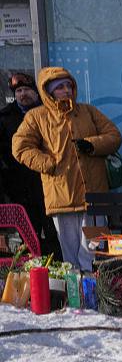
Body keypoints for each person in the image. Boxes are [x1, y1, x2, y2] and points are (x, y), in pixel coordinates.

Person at [11, 67, 122, 271]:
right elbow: (20, 147)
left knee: (95, 252)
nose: (66, 90)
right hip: (62, 196)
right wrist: (48, 164)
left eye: (68, 85)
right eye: (60, 87)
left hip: (94, 198)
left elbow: (114, 136)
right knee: (70, 257)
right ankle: (76, 289)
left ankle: (97, 286)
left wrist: (92, 144)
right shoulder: (37, 116)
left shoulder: (88, 111)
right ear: (49, 91)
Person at [0, 72, 61, 258]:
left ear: (36, 92)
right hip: (19, 187)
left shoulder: (49, 112)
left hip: (48, 182)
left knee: (53, 232)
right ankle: (32, 268)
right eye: (18, 91)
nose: (22, 94)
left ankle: (57, 266)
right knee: (27, 234)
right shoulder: (5, 117)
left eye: (26, 89)